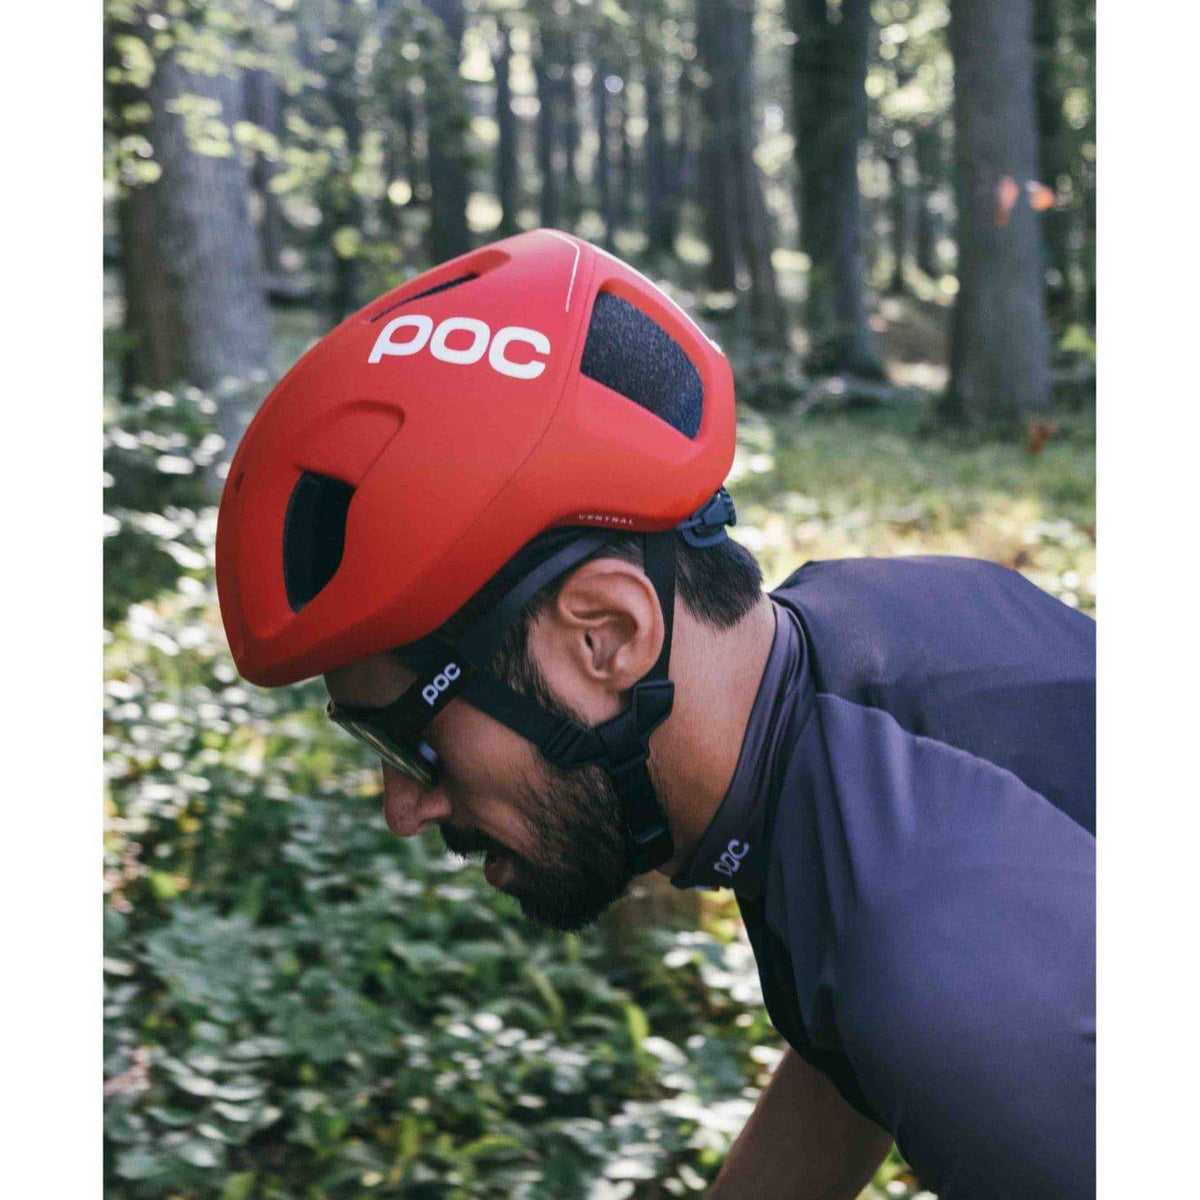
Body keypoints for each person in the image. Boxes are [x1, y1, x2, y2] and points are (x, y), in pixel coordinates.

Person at [216, 230, 1095, 1200]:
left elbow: (931, 996)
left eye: (407, 739)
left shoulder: (957, 991)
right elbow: (847, 1025)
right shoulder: (862, 639)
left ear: (608, 635)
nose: (403, 807)